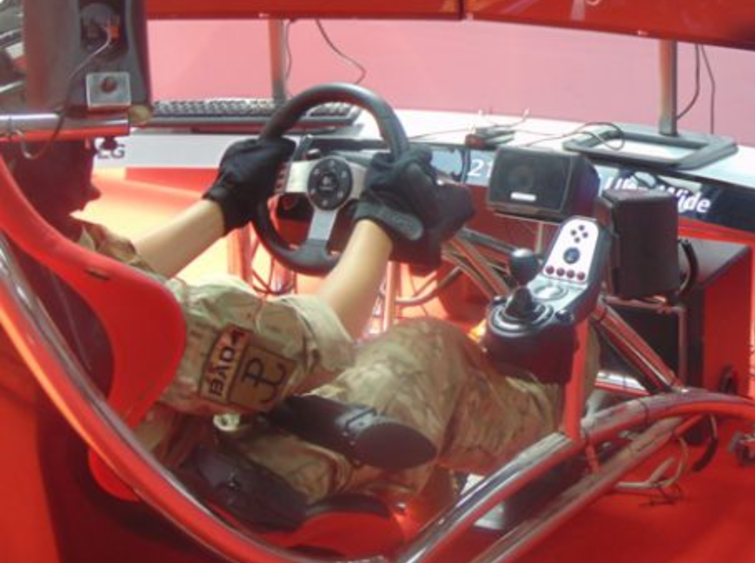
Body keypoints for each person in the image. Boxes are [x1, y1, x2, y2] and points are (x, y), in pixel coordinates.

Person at [5, 136, 567, 519]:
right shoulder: (136, 324)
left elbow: (101, 275)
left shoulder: (22, 273)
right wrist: (382, 221)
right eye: (82, 142)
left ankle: (419, 521)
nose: (95, 156)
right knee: (427, 351)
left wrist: (225, 204)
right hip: (200, 500)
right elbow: (312, 342)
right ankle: (557, 414)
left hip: (102, 482)